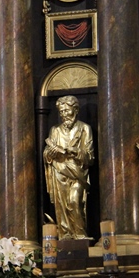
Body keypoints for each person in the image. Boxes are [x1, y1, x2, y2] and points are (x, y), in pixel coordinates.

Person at [43, 95, 94, 239]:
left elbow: (90, 157)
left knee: (74, 201)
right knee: (61, 205)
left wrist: (74, 151)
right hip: (59, 171)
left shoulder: (84, 129)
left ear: (76, 110)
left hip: (77, 173)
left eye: (67, 111)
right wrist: (50, 153)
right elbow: (47, 153)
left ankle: (80, 234)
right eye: (61, 112)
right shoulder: (55, 130)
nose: (64, 115)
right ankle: (65, 234)